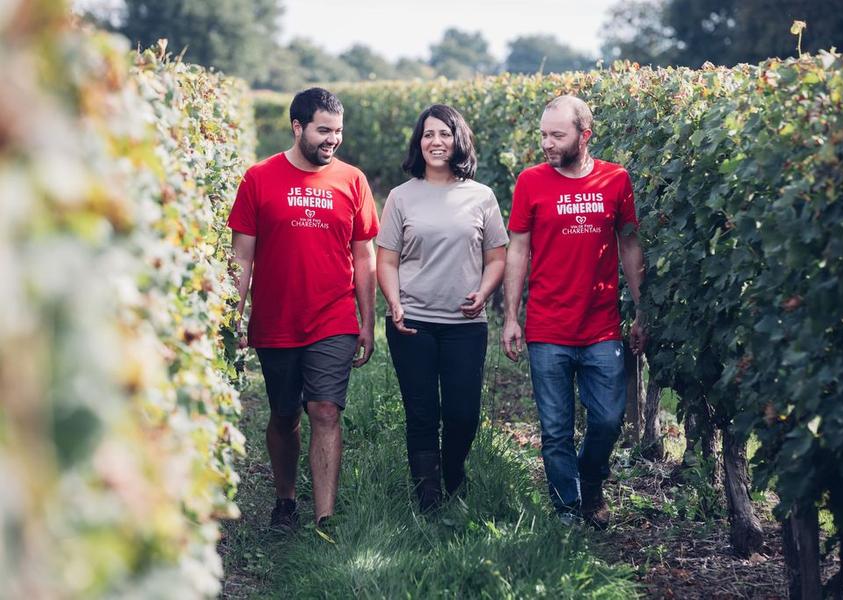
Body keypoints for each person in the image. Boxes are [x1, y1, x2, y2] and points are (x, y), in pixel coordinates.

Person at [228, 87, 379, 531]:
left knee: (326, 410)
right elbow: (242, 257)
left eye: (338, 131)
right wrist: (235, 315)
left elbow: (365, 254)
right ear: (298, 127)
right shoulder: (258, 178)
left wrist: (367, 321)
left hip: (333, 316)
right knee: (283, 414)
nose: (333, 139)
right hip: (276, 318)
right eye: (324, 130)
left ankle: (325, 518)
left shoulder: (353, 181)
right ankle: (285, 499)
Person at [501, 94, 647, 529]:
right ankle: (567, 508)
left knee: (607, 420)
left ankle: (590, 479)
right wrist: (511, 316)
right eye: (543, 134)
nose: (547, 143)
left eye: (556, 135)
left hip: (601, 325)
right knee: (556, 430)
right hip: (547, 326)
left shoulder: (616, 180)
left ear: (584, 135)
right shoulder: (530, 182)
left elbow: (630, 244)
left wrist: (643, 311)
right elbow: (518, 251)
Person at [376, 104, 508, 512]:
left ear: (458, 141)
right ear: (419, 142)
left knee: (463, 413)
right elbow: (386, 260)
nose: (436, 142)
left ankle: (453, 472)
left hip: (465, 324)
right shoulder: (401, 197)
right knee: (421, 413)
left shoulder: (481, 196)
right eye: (429, 134)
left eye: (444, 134)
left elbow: (497, 257)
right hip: (412, 321)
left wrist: (484, 293)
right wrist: (394, 303)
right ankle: (428, 497)